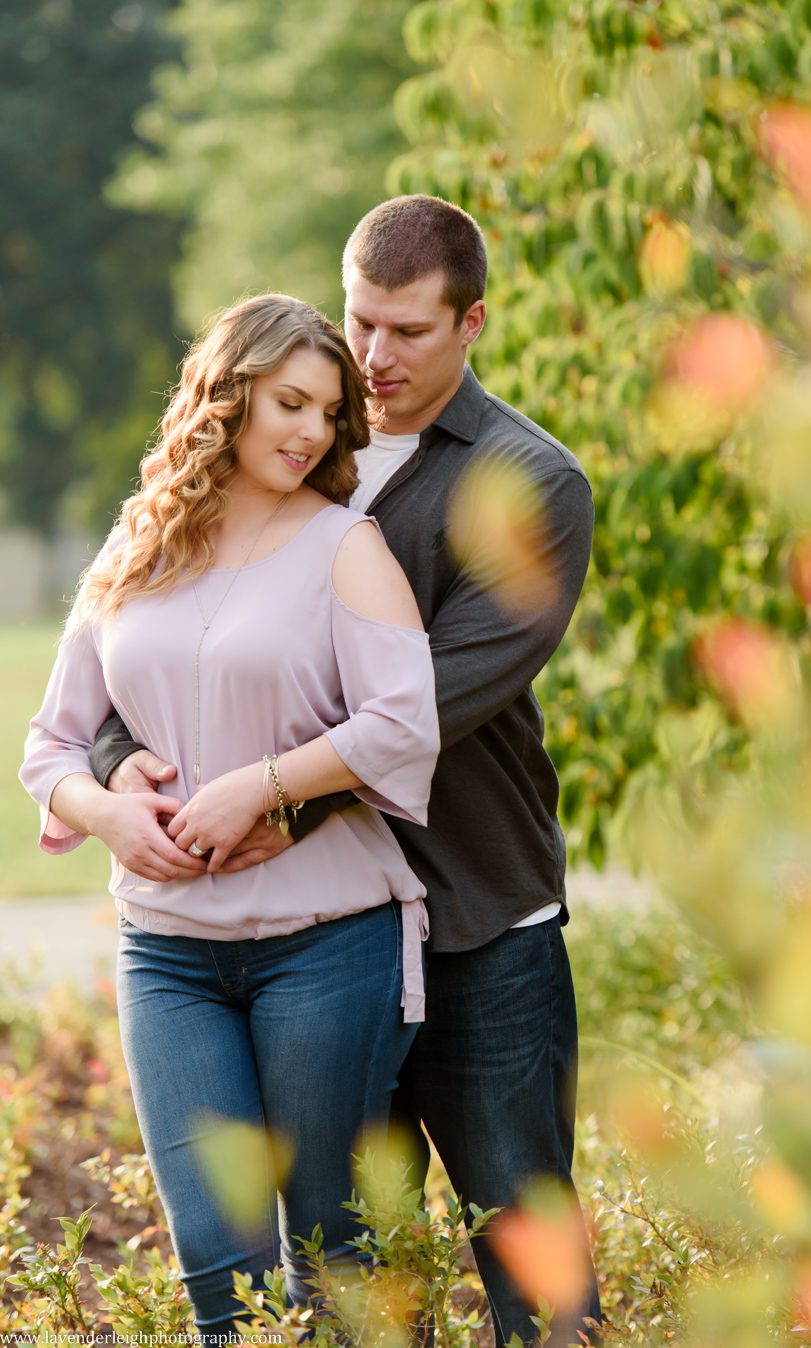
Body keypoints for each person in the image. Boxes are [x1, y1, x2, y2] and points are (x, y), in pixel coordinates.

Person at [92, 197, 602, 1344]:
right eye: (360, 320)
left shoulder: (530, 483)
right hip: (322, 942)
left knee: (530, 1260)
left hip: (476, 918)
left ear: (472, 323)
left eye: (409, 332)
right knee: (353, 1275)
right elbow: (173, 633)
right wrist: (127, 758)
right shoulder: (300, 438)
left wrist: (276, 796)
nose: (374, 357)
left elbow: (440, 699)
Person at [19, 294, 440, 1343]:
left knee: (333, 1257)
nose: (308, 430)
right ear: (227, 394)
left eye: (327, 413)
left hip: (329, 946)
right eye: (288, 401)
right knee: (221, 1270)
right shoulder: (136, 543)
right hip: (166, 957)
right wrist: (109, 815)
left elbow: (405, 723)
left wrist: (264, 783)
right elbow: (52, 745)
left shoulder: (347, 546)